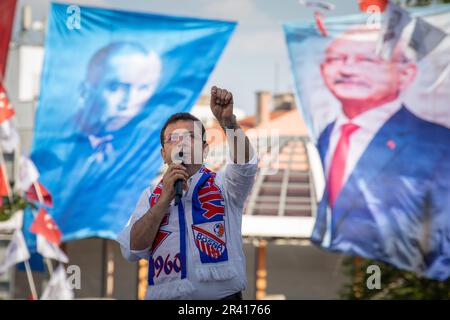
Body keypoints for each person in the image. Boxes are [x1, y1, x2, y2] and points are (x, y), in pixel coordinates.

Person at [311, 27, 450, 279]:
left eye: (367, 59)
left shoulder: (437, 145)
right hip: (341, 266)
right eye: (336, 59)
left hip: (403, 276)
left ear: (405, 73)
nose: (346, 70)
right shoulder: (326, 135)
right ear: (322, 70)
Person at [117, 86, 258, 299]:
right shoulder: (150, 196)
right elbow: (133, 249)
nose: (182, 142)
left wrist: (228, 123)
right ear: (164, 154)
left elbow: (245, 164)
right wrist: (164, 199)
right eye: (173, 138)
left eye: (190, 136)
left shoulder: (224, 185)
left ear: (204, 149)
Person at [75, 41, 162, 163]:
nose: (130, 101)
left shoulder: (154, 155)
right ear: (85, 92)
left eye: (143, 88)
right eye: (116, 87)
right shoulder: (51, 151)